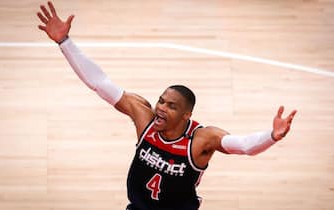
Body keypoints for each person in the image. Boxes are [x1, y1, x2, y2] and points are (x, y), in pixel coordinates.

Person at [36, 2, 297, 210]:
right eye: (161, 100)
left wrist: (272, 136)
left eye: (171, 106)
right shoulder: (144, 118)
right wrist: (65, 43)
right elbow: (99, 83)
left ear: (187, 115)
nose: (161, 107)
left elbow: (244, 146)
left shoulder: (201, 139)